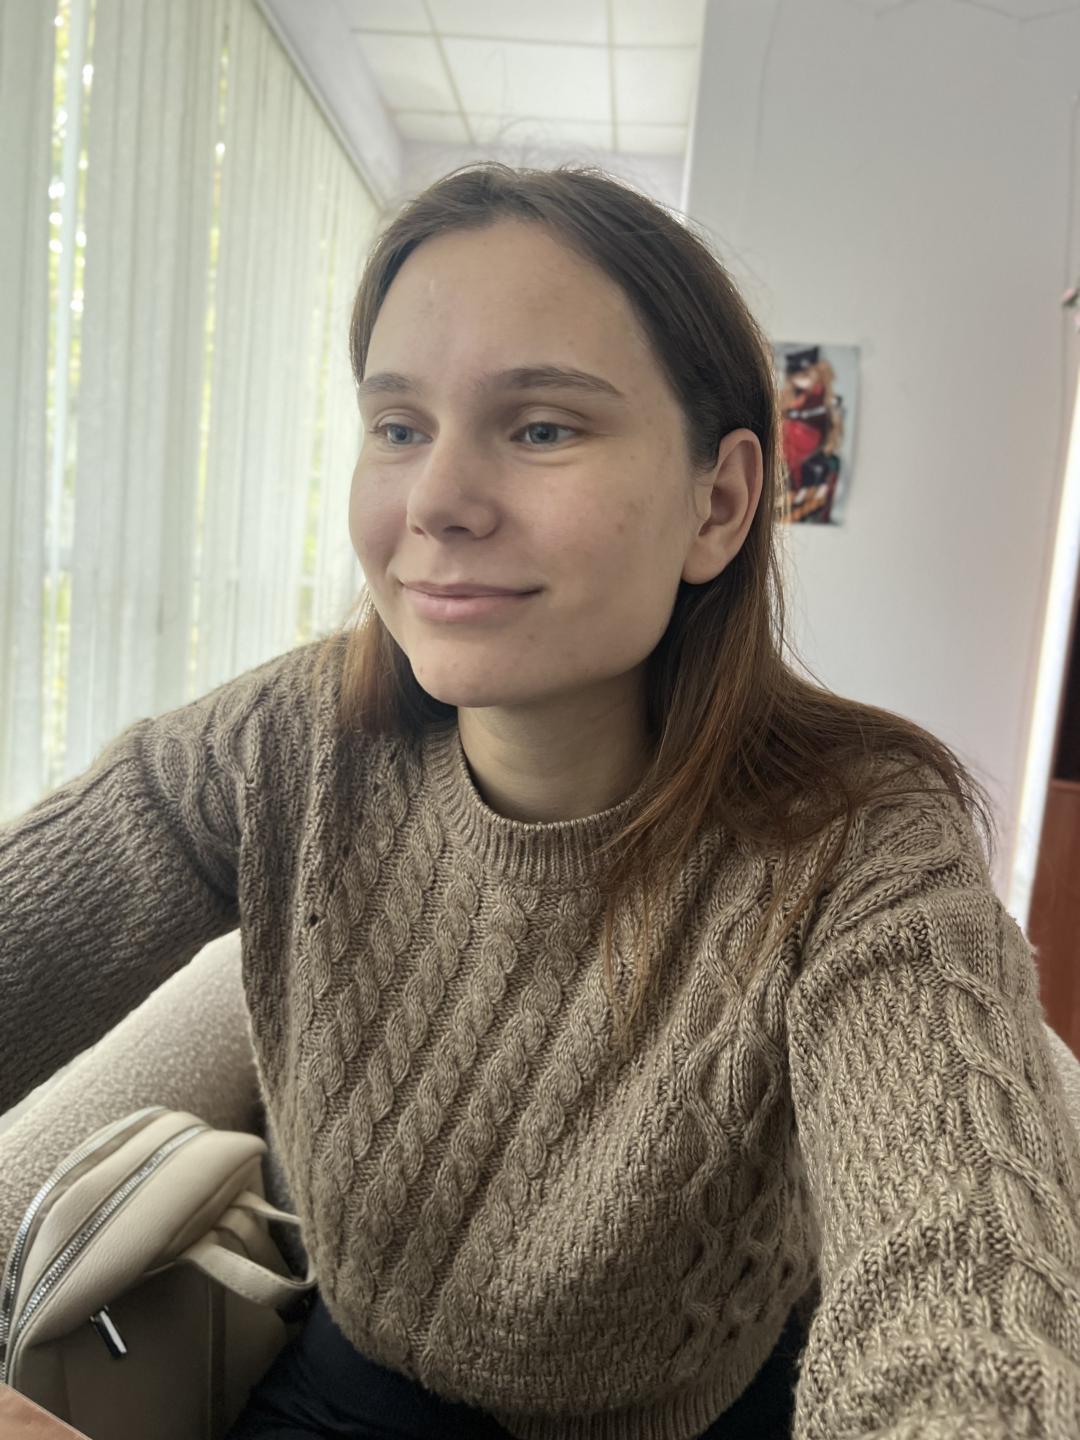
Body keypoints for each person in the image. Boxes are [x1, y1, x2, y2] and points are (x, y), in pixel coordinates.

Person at [1, 163, 1078, 1440]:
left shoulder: (861, 838)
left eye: (543, 427)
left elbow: (959, 1286)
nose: (436, 503)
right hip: (351, 1391)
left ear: (720, 503)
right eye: (399, 426)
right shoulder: (280, 744)